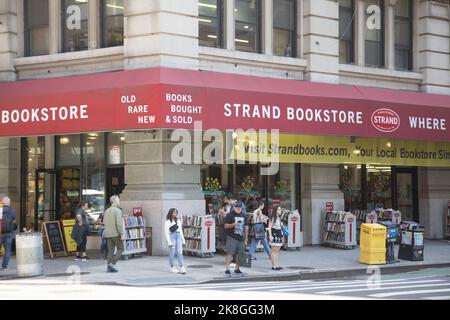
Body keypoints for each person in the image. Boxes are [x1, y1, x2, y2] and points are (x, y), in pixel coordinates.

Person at [224, 201, 248, 275]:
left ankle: (237, 268)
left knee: (239, 253)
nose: (238, 209)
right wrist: (233, 224)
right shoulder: (230, 215)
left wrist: (246, 238)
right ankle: (227, 268)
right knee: (229, 252)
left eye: (239, 207)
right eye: (237, 207)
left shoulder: (244, 215)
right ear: (234, 207)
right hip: (232, 237)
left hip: (241, 237)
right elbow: (225, 226)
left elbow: (246, 226)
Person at [103, 195, 124, 273]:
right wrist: (121, 233)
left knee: (110, 251)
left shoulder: (107, 211)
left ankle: (109, 267)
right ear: (115, 201)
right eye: (118, 200)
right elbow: (119, 223)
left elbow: (104, 222)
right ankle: (112, 264)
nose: (119, 201)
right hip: (116, 234)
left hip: (108, 234)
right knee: (121, 248)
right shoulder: (118, 211)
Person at [164, 208, 186, 274]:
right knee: (172, 252)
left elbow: (181, 230)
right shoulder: (167, 222)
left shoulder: (178, 221)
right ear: (171, 213)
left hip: (178, 235)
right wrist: (169, 242)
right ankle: (172, 267)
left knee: (180, 252)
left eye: (176, 212)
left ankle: (181, 267)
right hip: (172, 236)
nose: (175, 213)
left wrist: (183, 240)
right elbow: (166, 233)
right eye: (174, 212)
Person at [0, 197, 16, 271]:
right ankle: (4, 267)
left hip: (0, 232)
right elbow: (14, 221)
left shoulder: (0, 209)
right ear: (9, 203)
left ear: (2, 202)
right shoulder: (12, 210)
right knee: (7, 251)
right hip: (9, 233)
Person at [268, 206, 284, 270]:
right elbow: (269, 227)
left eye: (280, 209)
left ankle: (277, 265)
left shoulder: (278, 218)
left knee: (277, 251)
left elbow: (280, 227)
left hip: (279, 233)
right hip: (274, 233)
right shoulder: (273, 218)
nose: (280, 210)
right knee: (273, 251)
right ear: (276, 210)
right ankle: (273, 265)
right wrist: (270, 236)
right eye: (279, 209)